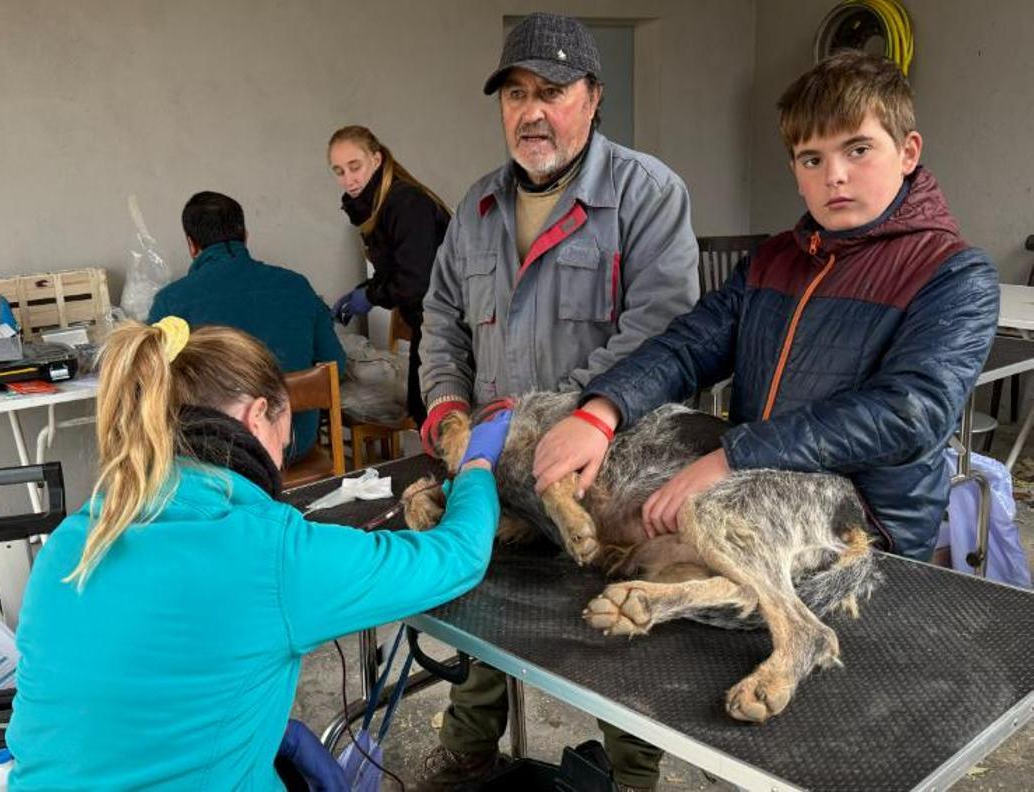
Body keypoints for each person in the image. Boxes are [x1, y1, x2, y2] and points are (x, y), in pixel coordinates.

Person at [533, 51, 998, 573]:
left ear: (908, 152)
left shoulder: (954, 274)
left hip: (865, 535)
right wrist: (601, 412)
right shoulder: (773, 261)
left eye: (859, 149)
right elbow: (689, 346)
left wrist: (734, 457)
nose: (835, 177)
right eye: (812, 159)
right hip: (755, 498)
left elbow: (907, 413)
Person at [7, 317, 512, 791]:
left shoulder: (72, 542)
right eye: (283, 441)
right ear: (256, 415)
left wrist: (269, 735)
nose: (281, 460)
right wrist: (477, 465)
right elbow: (458, 556)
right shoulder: (270, 554)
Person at [416, 12, 699, 792]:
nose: (531, 111)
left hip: (608, 472)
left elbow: (661, 333)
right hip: (496, 467)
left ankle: (632, 775)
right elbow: (440, 320)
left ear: (593, 96)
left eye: (553, 90)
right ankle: (470, 744)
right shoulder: (477, 208)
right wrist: (446, 409)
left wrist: (562, 421)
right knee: (477, 602)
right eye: (514, 93)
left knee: (618, 629)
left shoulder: (646, 195)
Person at [148, 191, 345, 462]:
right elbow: (337, 366)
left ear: (191, 245)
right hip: (294, 447)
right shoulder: (296, 286)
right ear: (246, 236)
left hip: (219, 459)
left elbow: (151, 392)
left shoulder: (171, 302)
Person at [328, 125, 452, 425]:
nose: (349, 179)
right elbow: (398, 268)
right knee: (423, 410)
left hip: (451, 327)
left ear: (377, 158)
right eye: (339, 171)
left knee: (434, 414)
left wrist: (370, 296)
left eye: (354, 167)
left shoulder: (406, 202)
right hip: (430, 322)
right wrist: (367, 288)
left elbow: (415, 280)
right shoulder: (377, 207)